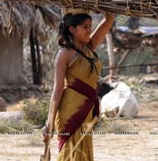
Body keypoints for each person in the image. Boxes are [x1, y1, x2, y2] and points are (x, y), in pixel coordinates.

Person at [42, 8, 115, 161]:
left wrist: (100, 3)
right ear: (72, 29)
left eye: (90, 26)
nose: (89, 30)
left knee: (84, 151)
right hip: (70, 111)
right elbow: (57, 90)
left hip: (87, 110)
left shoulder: (89, 47)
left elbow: (109, 20)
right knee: (71, 153)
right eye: (85, 27)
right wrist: (50, 123)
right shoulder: (64, 54)